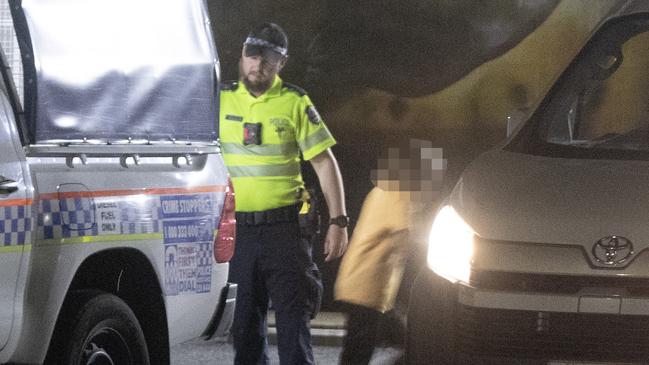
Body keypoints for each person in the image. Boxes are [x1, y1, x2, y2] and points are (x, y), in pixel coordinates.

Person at [219, 22, 349, 365]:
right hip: (238, 234)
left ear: (282, 63)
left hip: (285, 233)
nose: (257, 64)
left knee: (294, 329)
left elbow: (324, 162)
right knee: (244, 329)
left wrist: (339, 221)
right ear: (242, 55)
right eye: (252, 55)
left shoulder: (295, 102)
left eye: (268, 58)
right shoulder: (220, 98)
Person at [335, 139, 443, 365]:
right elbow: (404, 236)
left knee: (370, 345)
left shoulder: (381, 189)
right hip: (368, 287)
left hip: (364, 284)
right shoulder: (397, 193)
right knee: (362, 349)